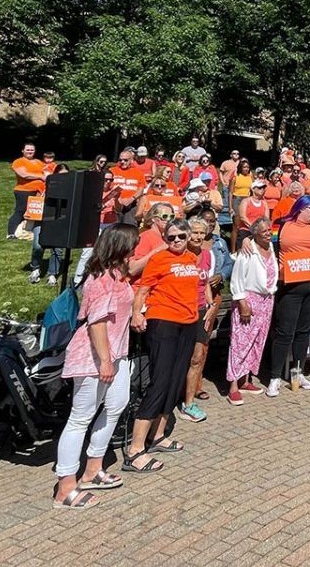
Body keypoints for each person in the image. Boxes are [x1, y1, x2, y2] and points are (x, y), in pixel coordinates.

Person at [52, 224, 139, 508]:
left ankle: (93, 468)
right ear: (119, 247)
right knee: (81, 417)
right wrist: (104, 360)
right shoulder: (100, 279)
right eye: (132, 246)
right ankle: (65, 486)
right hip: (94, 356)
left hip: (117, 354)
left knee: (116, 405)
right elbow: (97, 323)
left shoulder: (118, 275)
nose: (135, 251)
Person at [125, 219, 200, 472]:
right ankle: (135, 449)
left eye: (180, 236)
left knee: (176, 380)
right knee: (160, 380)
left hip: (188, 323)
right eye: (171, 237)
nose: (176, 241)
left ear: (189, 236)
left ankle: (157, 436)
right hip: (163, 321)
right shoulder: (159, 259)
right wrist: (137, 314)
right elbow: (143, 291)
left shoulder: (192, 258)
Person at [268, 195, 310, 396]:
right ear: (300, 208)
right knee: (284, 332)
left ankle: (298, 372)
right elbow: (267, 244)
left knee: (303, 332)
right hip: (290, 285)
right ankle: (275, 377)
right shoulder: (282, 225)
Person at [224, 218, 275, 405]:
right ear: (255, 233)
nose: (268, 233)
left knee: (257, 341)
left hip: (267, 300)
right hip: (248, 299)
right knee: (241, 342)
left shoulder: (271, 248)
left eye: (269, 230)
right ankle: (233, 387)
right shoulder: (247, 250)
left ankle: (246, 380)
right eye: (264, 231)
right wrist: (242, 302)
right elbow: (236, 277)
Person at [178, 217, 217, 422]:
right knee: (177, 358)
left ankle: (189, 403)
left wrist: (210, 305)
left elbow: (206, 284)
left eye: (202, 233)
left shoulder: (207, 255)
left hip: (201, 309)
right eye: (194, 232)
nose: (198, 237)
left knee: (196, 357)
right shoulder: (178, 255)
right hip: (179, 311)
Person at [9, 143, 46, 238]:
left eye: (32, 150)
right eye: (28, 149)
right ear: (23, 151)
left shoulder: (39, 162)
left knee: (35, 212)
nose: (30, 151)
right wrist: (40, 176)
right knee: (21, 211)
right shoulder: (19, 162)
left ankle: (29, 231)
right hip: (24, 191)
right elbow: (23, 174)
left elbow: (46, 172)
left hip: (39, 191)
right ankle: (11, 233)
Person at [110, 149, 146, 225]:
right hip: (114, 204)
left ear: (131, 160)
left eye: (125, 160)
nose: (122, 162)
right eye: (120, 160)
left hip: (131, 205)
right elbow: (107, 187)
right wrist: (118, 199)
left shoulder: (138, 173)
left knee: (129, 228)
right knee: (113, 229)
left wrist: (131, 199)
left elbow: (141, 188)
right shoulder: (112, 171)